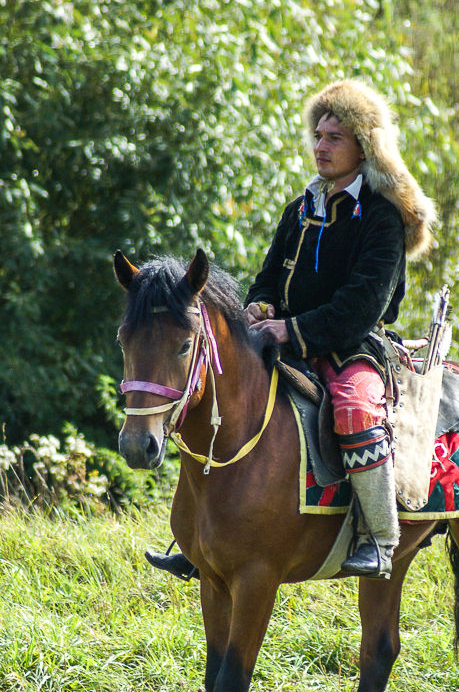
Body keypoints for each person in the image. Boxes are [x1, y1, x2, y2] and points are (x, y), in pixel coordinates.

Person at [147, 79, 436, 580]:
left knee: (355, 410)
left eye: (335, 138)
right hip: (282, 338)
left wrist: (291, 330)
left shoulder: (382, 217)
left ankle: (379, 537)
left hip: (352, 347)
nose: (321, 146)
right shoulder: (300, 210)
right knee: (219, 398)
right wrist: (259, 306)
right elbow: (266, 278)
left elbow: (362, 307)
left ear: (364, 147)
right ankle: (197, 536)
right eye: (318, 136)